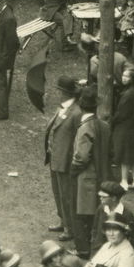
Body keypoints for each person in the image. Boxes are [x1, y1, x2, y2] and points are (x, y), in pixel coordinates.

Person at [44, 77, 83, 242]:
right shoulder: (63, 108)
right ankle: (62, 221)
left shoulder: (76, 112)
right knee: (57, 192)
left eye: (59, 90)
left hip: (65, 161)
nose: (57, 93)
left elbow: (78, 139)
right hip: (55, 157)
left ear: (65, 93)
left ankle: (70, 228)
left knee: (67, 195)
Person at [69, 89, 103, 256]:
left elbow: (82, 156)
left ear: (81, 107)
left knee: (82, 213)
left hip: (86, 177)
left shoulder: (85, 128)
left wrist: (73, 170)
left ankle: (83, 248)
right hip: (98, 174)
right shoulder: (102, 124)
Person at [111, 67, 134, 190]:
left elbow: (121, 114)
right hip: (133, 128)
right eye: (123, 75)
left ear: (133, 79)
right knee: (131, 156)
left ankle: (124, 181)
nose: (124, 78)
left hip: (125, 128)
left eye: (127, 76)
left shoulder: (128, 95)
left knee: (124, 156)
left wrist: (112, 121)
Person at [89, 182, 134, 254]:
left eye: (104, 197)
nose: (100, 198)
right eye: (100, 196)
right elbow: (95, 229)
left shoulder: (126, 215)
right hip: (99, 252)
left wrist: (125, 254)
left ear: (114, 198)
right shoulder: (101, 208)